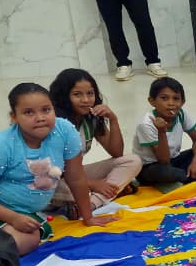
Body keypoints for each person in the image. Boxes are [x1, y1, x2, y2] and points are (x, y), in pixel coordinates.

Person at [0, 83, 115, 255]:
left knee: (27, 239)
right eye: (28, 112)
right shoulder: (0, 145)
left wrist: (88, 217)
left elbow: (76, 178)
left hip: (20, 213)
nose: (40, 117)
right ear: (14, 117)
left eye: (46, 110)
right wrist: (13, 218)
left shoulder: (65, 131)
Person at [49, 68, 142, 213]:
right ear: (64, 97)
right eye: (77, 94)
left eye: (90, 93)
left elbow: (117, 152)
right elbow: (54, 172)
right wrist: (92, 184)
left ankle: (90, 204)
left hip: (76, 176)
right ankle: (101, 196)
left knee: (132, 161)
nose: (86, 100)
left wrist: (113, 119)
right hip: (54, 179)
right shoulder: (56, 124)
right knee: (55, 187)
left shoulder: (90, 117)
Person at [134, 77, 196, 186]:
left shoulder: (180, 114)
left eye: (176, 98)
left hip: (173, 160)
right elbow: (163, 160)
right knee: (168, 173)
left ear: (182, 102)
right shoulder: (146, 123)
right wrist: (161, 131)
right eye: (164, 98)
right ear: (152, 101)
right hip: (150, 167)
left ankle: (193, 172)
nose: (171, 103)